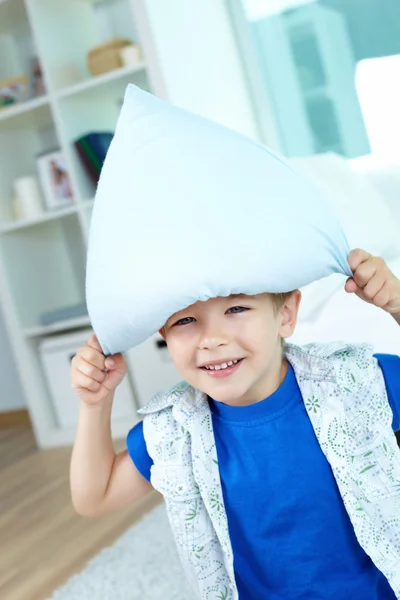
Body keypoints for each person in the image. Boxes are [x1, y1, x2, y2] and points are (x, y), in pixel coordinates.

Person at [70, 248, 400, 599]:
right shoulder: (175, 430)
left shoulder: (354, 382)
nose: (212, 339)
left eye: (236, 308)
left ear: (285, 314)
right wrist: (95, 403)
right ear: (164, 334)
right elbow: (96, 497)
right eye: (184, 320)